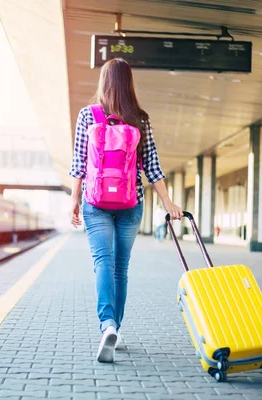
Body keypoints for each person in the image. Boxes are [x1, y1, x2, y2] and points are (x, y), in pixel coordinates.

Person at [68, 58, 183, 363]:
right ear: (129, 83)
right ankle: (115, 328)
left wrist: (73, 201)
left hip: (95, 202)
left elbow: (79, 164)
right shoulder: (139, 119)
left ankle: (107, 326)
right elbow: (153, 168)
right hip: (131, 202)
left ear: (103, 82)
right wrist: (168, 205)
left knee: (102, 262)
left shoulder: (87, 116)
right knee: (121, 267)